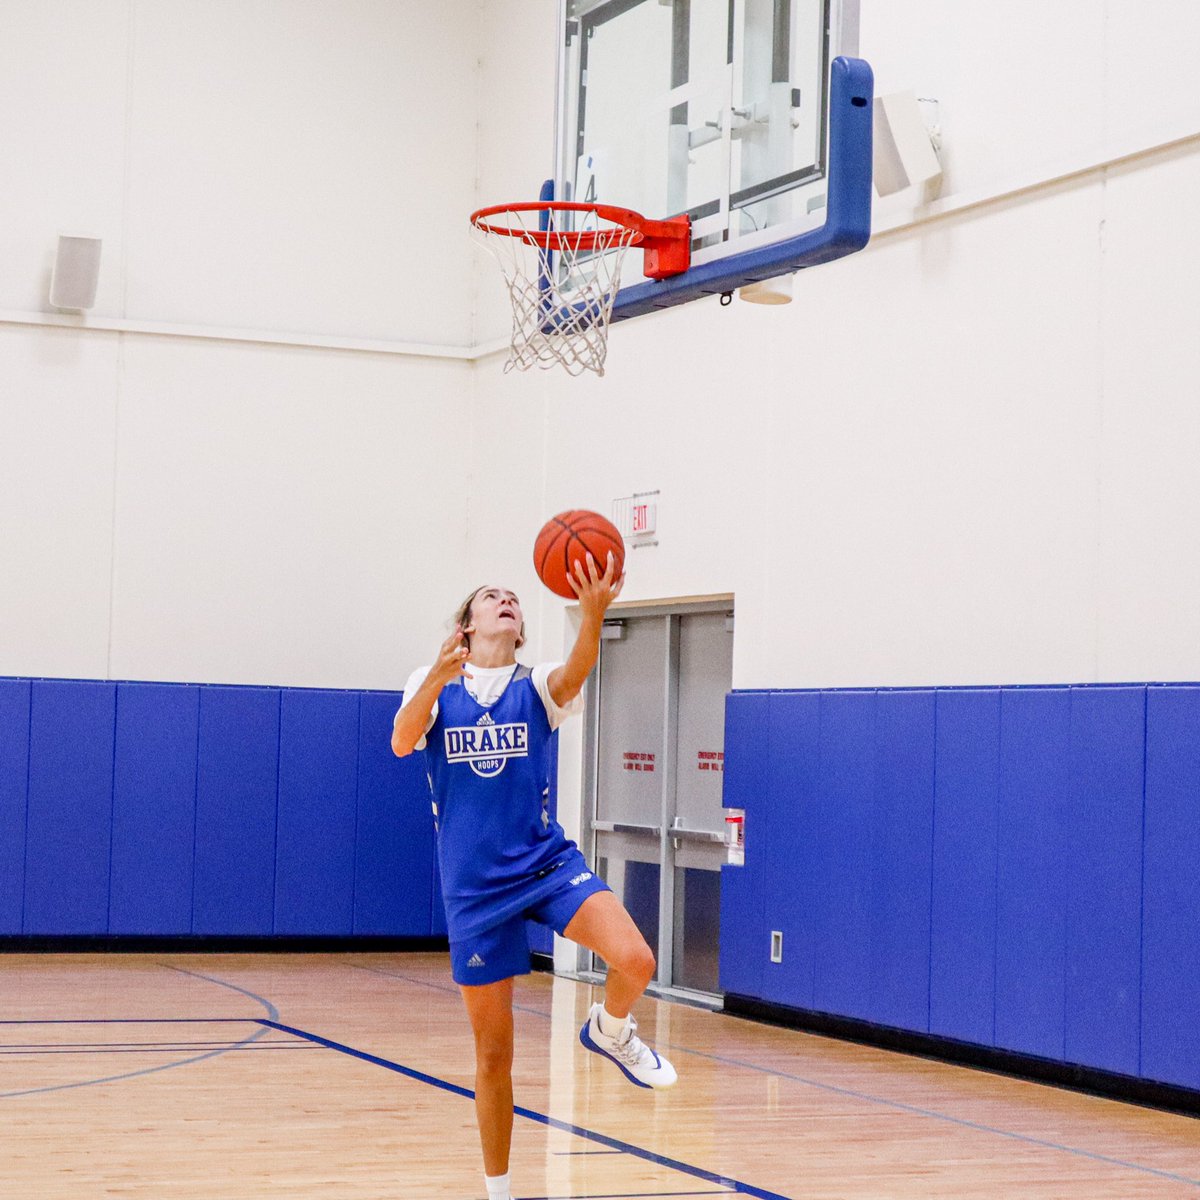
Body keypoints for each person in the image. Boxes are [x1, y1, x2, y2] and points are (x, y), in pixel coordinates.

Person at [391, 553, 676, 1200]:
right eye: (491, 596)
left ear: (520, 630)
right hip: (474, 890)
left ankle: (610, 1030)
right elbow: (403, 741)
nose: (506, 601)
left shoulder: (535, 683)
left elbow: (574, 675)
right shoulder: (433, 684)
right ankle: (500, 1193)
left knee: (635, 958)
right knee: (494, 1057)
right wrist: (436, 676)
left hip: (545, 864)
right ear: (466, 624)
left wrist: (594, 619)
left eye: (513, 599)